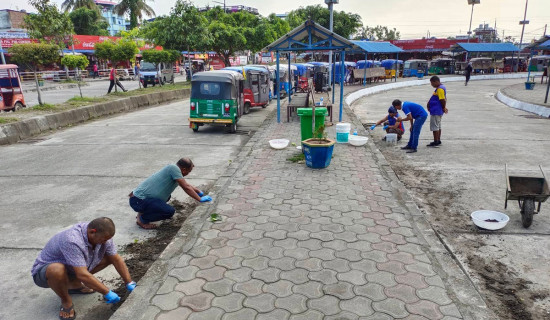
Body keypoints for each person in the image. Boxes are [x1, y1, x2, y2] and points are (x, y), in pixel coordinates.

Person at [31, 217, 136, 320]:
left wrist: (129, 282)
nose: (105, 242)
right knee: (56, 269)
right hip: (45, 273)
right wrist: (107, 292)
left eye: (107, 239)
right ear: (92, 232)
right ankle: (66, 302)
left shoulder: (103, 234)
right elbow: (82, 274)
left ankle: (73, 285)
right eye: (103, 239)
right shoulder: (72, 240)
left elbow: (116, 259)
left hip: (71, 268)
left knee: (109, 257)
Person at [129, 158, 212, 229]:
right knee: (169, 212)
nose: (188, 174)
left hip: (140, 199)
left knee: (167, 197)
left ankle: (142, 212)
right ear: (183, 169)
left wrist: (198, 191)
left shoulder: (174, 169)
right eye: (189, 171)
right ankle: (142, 220)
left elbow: (186, 184)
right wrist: (199, 199)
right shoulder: (174, 169)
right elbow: (186, 187)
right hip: (138, 201)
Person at [426, 76, 448, 147]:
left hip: (436, 110)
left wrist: (444, 107)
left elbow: (442, 99)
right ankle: (437, 140)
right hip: (436, 110)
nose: (431, 85)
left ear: (436, 81)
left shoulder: (440, 89)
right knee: (438, 126)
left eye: (432, 83)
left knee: (435, 127)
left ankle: (436, 141)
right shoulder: (440, 88)